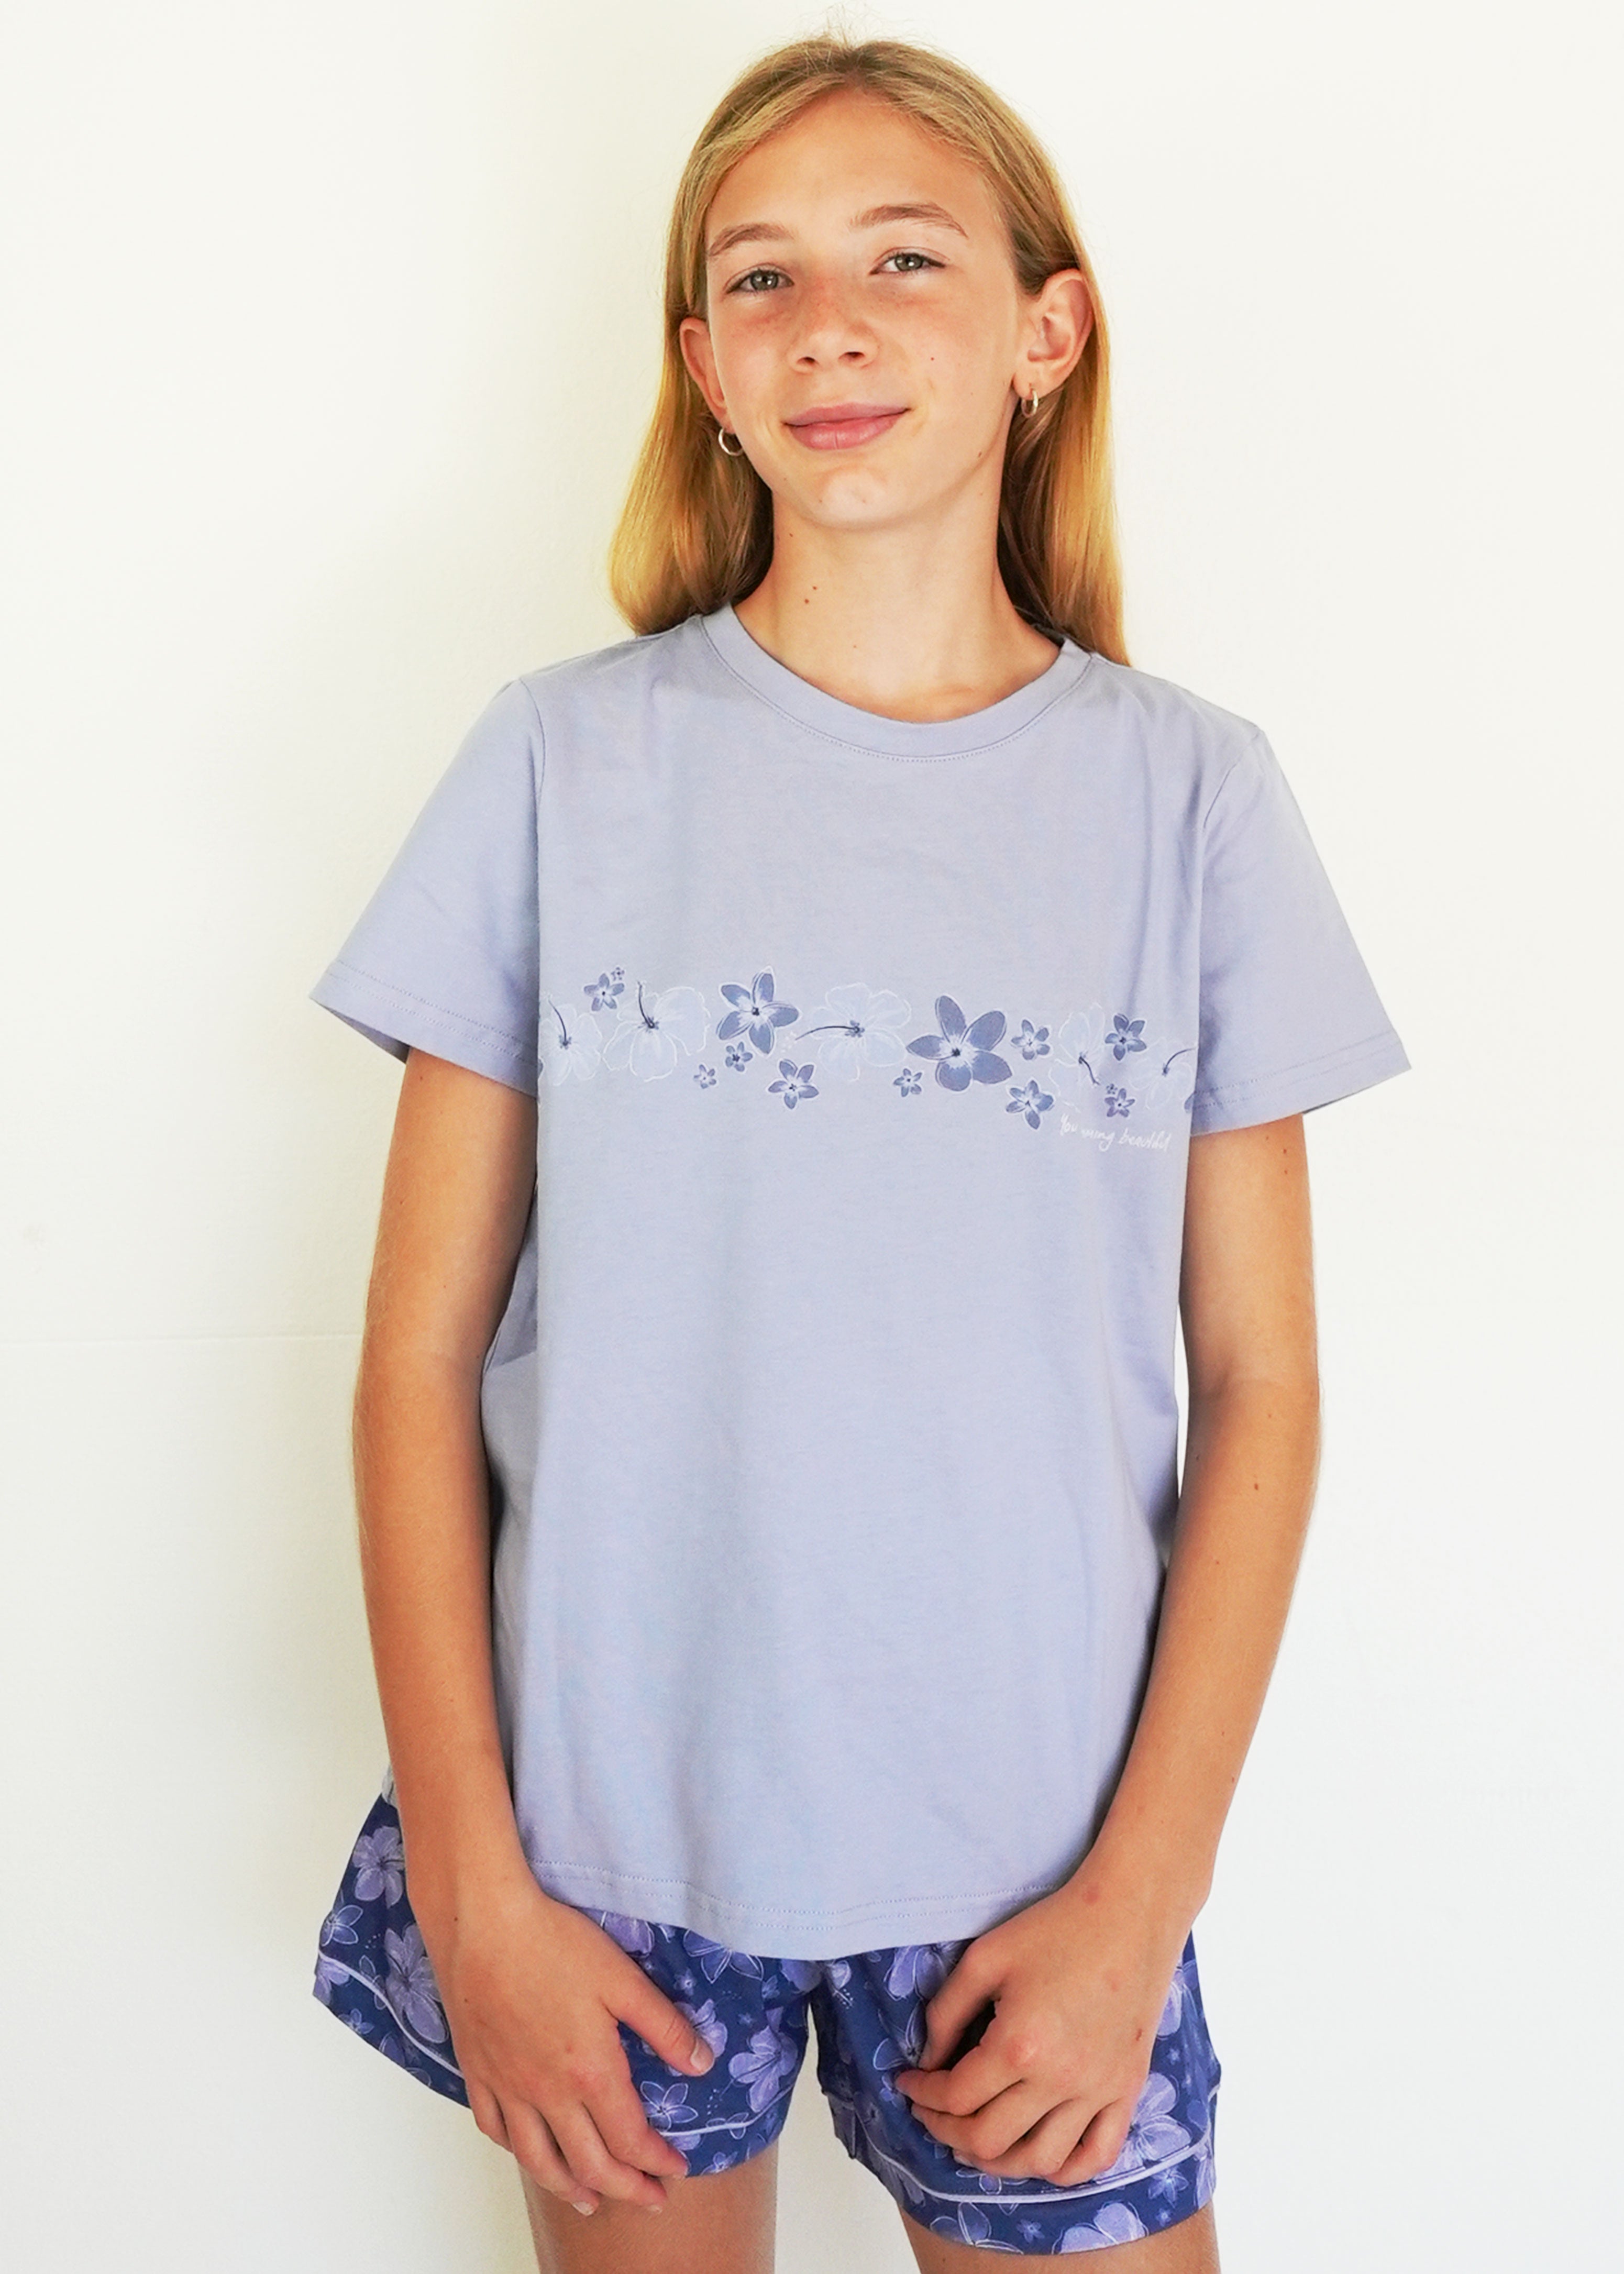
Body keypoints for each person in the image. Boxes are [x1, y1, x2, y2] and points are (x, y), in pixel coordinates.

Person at [307, 33, 1407, 2272]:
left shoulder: (1190, 800)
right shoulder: (560, 767)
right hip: (603, 1854)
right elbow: (413, 1362)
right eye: (762, 277)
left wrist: (1141, 1899)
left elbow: (1265, 1385)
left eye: (905, 259)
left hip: (1043, 1870)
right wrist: (477, 1891)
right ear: (703, 368)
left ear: (1044, 332)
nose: (830, 322)